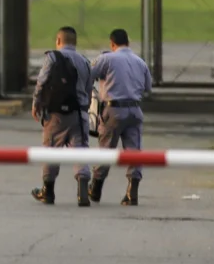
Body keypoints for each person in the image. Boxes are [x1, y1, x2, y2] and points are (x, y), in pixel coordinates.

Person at [89, 28, 152, 206]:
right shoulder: (140, 62)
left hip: (114, 109)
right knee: (135, 151)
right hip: (135, 110)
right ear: (128, 42)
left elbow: (89, 76)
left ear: (112, 43)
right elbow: (148, 88)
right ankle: (132, 193)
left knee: (106, 149)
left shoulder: (107, 58)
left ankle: (96, 188)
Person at [31, 26, 93, 207]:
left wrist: (36, 103)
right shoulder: (84, 61)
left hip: (55, 115)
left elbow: (42, 81)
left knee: (51, 149)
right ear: (75, 42)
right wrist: (84, 109)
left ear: (58, 40)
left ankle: (48, 191)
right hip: (79, 113)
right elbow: (89, 90)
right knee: (80, 149)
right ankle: (82, 193)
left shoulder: (52, 57)